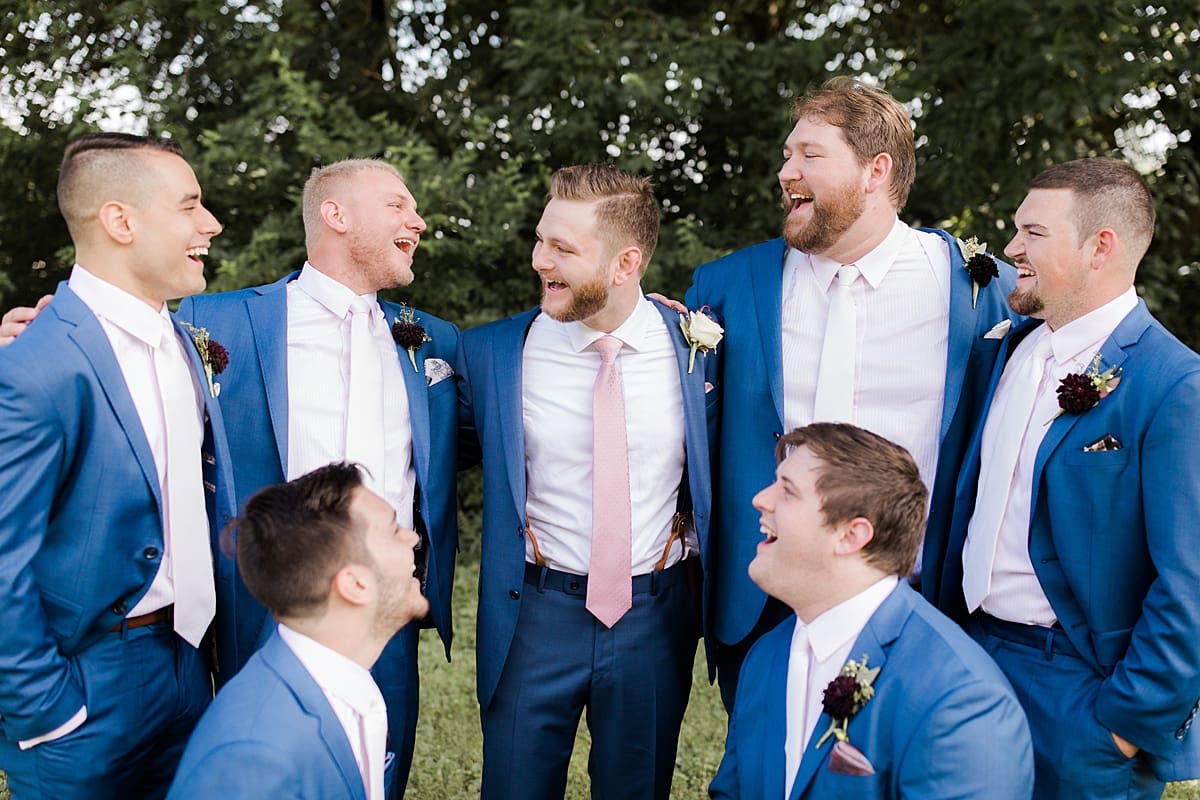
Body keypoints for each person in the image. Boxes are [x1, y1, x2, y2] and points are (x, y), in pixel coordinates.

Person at [685, 76, 1019, 709]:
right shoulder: (727, 285)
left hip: (916, 599)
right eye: (786, 155)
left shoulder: (976, 291)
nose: (786, 172)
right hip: (767, 603)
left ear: (876, 170)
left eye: (809, 155)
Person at [173, 158, 460, 798]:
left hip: (384, 597)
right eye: (397, 205)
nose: (417, 220)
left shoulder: (433, 342)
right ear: (336, 215)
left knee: (378, 764)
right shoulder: (212, 321)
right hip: (263, 594)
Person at [924, 157, 1200, 798]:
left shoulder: (1174, 384)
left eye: (1034, 233)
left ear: (1100, 246)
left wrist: (1121, 726)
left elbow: (1190, 584)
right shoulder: (1004, 348)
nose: (1012, 248)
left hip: (1077, 689)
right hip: (969, 656)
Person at [458, 164, 717, 799]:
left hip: (655, 617)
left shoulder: (700, 350)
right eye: (541, 238)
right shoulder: (494, 354)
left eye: (563, 248)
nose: (538, 258)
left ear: (626, 263)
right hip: (534, 612)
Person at [0, 132, 235, 799]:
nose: (210, 224)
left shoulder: (184, 342)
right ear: (120, 221)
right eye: (189, 206)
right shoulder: (36, 365)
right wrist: (47, 712)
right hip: (85, 685)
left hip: (189, 664)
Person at [711, 423, 1033, 799]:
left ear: (851, 535)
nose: (761, 499)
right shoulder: (767, 656)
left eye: (788, 491)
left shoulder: (963, 705)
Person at [167, 462, 429, 799]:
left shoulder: (347, 683)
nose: (413, 538)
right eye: (395, 531)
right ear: (354, 584)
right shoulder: (254, 759)